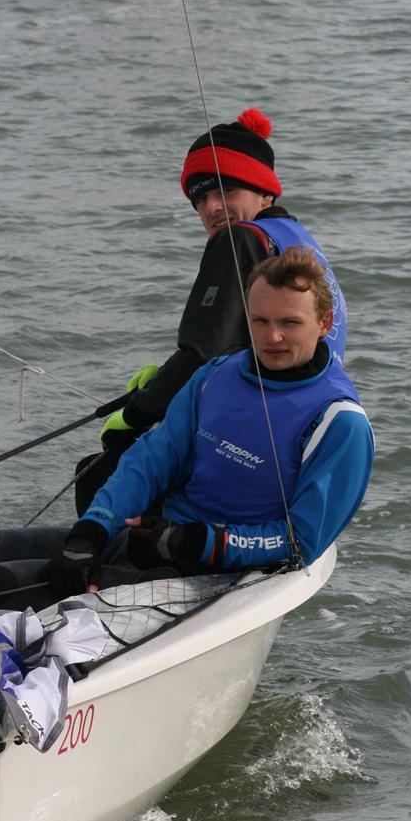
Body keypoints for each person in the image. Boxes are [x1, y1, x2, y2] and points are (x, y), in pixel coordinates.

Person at [45, 246, 374, 598]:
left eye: (289, 323)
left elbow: (301, 542)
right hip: (154, 542)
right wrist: (91, 530)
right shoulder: (217, 374)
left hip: (219, 575)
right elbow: (152, 460)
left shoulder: (340, 422)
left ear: (324, 323)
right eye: (259, 321)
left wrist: (199, 542)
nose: (271, 337)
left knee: (12, 591)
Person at [74, 105, 347, 514]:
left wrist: (136, 412)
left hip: (248, 442)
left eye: (225, 191)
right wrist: (163, 379)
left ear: (264, 192)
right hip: (297, 443)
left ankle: (105, 572)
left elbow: (202, 351)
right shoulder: (297, 241)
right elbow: (231, 349)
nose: (212, 208)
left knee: (96, 474)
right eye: (200, 198)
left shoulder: (238, 238)